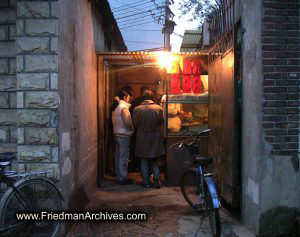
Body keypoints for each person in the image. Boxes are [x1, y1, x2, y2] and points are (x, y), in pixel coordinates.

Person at [133, 89, 165, 188]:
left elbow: (135, 124)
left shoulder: (137, 109)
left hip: (142, 136)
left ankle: (146, 182)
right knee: (154, 158)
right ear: (152, 98)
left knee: (144, 160)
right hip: (155, 135)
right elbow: (161, 122)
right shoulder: (158, 108)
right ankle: (156, 178)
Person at [111, 90, 134, 185]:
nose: (130, 99)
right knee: (123, 157)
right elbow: (127, 122)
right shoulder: (123, 108)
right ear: (125, 97)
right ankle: (122, 178)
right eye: (128, 97)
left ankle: (119, 176)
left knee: (118, 156)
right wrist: (132, 130)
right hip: (123, 135)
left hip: (117, 134)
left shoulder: (116, 106)